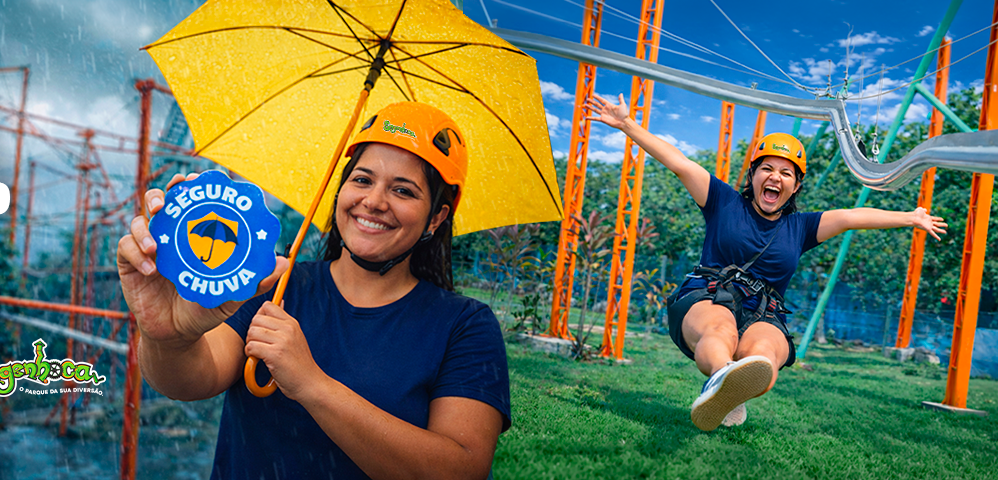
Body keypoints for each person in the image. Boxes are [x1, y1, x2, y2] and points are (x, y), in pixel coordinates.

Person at [117, 102, 511, 479]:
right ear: (340, 190)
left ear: (436, 218)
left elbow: (461, 469)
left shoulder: (465, 326)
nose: (373, 201)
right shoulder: (273, 285)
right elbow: (190, 381)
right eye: (362, 179)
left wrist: (311, 384)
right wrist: (166, 336)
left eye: (403, 191)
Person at [585, 92, 947, 431]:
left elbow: (852, 216)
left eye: (786, 173)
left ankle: (732, 389)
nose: (775, 177)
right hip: (708, 297)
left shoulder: (802, 227)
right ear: (753, 175)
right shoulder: (722, 201)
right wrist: (626, 124)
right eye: (767, 169)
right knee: (721, 331)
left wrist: (910, 217)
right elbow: (679, 163)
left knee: (765, 355)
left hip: (764, 310)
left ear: (796, 186)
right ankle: (720, 376)